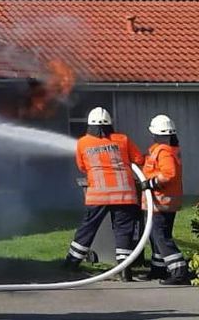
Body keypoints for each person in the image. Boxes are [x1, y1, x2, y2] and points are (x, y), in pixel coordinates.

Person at [63, 107, 144, 279]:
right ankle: (124, 270)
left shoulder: (83, 142)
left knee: (88, 227)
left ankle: (72, 263)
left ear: (89, 125)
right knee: (123, 231)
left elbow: (82, 166)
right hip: (124, 194)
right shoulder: (123, 139)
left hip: (98, 194)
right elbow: (139, 160)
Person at [140, 114, 186, 284]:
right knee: (156, 236)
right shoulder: (166, 150)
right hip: (162, 202)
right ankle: (158, 269)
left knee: (161, 237)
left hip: (161, 202)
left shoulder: (164, 151)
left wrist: (150, 183)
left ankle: (179, 271)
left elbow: (169, 174)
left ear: (158, 134)